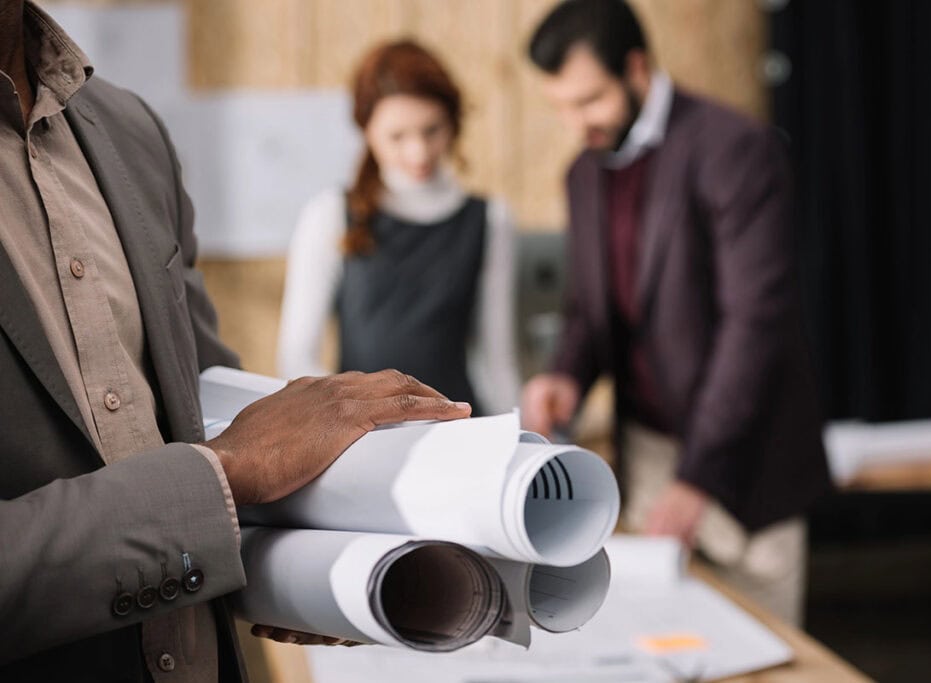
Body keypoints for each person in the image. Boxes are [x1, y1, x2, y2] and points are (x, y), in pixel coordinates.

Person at [0, 3, 471, 680]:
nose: (418, 150)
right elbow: (236, 453)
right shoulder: (329, 216)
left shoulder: (128, 133)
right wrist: (224, 473)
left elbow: (201, 399)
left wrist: (324, 569)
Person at [521, 0, 830, 624]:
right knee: (662, 642)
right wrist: (566, 377)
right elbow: (589, 308)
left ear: (636, 68)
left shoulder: (735, 148)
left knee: (763, 652)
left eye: (589, 100)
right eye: (560, 105)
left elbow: (755, 324)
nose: (575, 122)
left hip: (744, 463)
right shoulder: (583, 172)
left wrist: (698, 477)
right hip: (649, 455)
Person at [278, 40, 519, 415]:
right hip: (365, 440)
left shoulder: (490, 219)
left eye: (432, 130)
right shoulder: (329, 214)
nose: (418, 153)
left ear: (453, 122)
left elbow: (497, 362)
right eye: (398, 136)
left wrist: (520, 443)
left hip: (462, 436)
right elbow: (297, 357)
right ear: (367, 130)